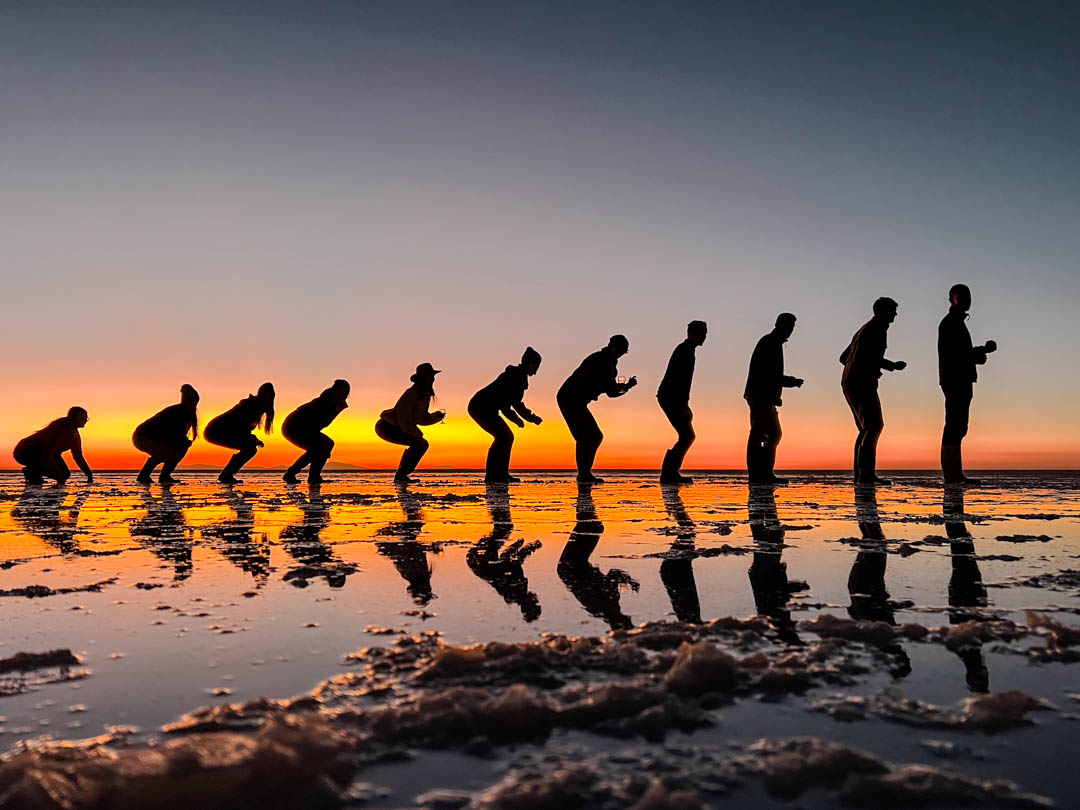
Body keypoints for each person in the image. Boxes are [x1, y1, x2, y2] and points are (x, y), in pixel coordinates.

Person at [839, 298, 907, 485]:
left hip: (850, 382)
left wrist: (870, 367)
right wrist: (889, 365)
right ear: (881, 311)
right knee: (874, 425)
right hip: (860, 383)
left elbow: (844, 357)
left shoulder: (863, 330)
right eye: (892, 310)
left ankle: (860, 475)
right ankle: (866, 475)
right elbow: (866, 356)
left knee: (866, 428)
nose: (895, 314)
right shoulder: (875, 329)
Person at [938, 284, 997, 486]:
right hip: (955, 379)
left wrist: (980, 354)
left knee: (958, 425)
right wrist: (980, 352)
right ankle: (952, 475)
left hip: (959, 378)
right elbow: (954, 355)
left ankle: (955, 474)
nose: (967, 300)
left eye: (968, 296)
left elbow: (961, 353)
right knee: (955, 425)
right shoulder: (950, 323)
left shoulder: (956, 323)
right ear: (952, 299)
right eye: (961, 297)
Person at [557, 335, 637, 483]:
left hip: (579, 402)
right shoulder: (597, 359)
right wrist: (605, 385)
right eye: (621, 351)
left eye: (624, 352)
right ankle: (584, 474)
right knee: (584, 438)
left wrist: (626, 388)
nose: (621, 354)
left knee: (595, 436)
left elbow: (611, 393)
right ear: (614, 348)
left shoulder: (612, 367)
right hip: (569, 397)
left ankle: (586, 473)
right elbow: (588, 380)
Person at [744, 313, 803, 485]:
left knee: (774, 434)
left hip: (766, 396)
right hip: (760, 395)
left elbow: (771, 374)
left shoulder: (774, 343)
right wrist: (790, 381)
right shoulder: (769, 342)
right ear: (778, 324)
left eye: (792, 327)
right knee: (758, 434)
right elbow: (768, 374)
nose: (790, 330)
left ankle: (765, 474)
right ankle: (757, 476)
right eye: (788, 326)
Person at [468, 348, 543, 483]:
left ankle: (500, 473)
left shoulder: (518, 377)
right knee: (504, 437)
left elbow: (512, 403)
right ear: (529, 363)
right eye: (536, 366)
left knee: (504, 437)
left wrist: (522, 418)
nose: (536, 371)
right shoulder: (515, 377)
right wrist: (526, 418)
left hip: (486, 408)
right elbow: (509, 404)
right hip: (480, 407)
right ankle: (494, 475)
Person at [375, 364, 445, 483]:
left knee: (421, 444)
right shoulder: (411, 394)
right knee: (419, 443)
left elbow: (421, 419)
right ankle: (401, 475)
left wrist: (436, 417)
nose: (433, 379)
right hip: (386, 426)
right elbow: (404, 418)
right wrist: (416, 433)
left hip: (399, 427)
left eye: (432, 376)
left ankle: (402, 475)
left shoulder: (424, 396)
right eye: (430, 376)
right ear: (423, 378)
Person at [657, 321, 707, 484]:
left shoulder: (688, 350)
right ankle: (669, 473)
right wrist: (682, 404)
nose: (705, 336)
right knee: (687, 435)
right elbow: (678, 379)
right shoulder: (684, 350)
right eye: (702, 332)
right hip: (671, 398)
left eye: (706, 333)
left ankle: (670, 473)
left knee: (687, 435)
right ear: (691, 333)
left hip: (672, 397)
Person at [204, 383, 276, 484]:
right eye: (265, 395)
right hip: (215, 430)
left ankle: (226, 474)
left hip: (221, 430)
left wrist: (253, 439)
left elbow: (244, 430)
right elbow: (241, 427)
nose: (267, 399)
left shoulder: (256, 408)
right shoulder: (249, 406)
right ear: (261, 395)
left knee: (250, 448)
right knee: (250, 449)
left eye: (270, 396)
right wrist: (254, 439)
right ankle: (226, 475)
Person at [282, 379, 350, 484]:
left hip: (304, 427)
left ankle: (311, 476)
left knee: (324, 446)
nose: (343, 395)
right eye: (340, 391)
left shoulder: (333, 403)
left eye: (345, 393)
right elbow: (318, 422)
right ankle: (295, 474)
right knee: (319, 448)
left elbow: (320, 425)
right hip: (294, 426)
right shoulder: (326, 402)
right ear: (334, 390)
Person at [133, 385, 199, 484]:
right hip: (143, 436)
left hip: (156, 438)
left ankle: (164, 475)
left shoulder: (188, 414)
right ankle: (144, 475)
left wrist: (184, 442)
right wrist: (183, 442)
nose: (193, 403)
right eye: (191, 400)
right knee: (167, 451)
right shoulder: (177, 411)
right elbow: (173, 432)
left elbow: (177, 435)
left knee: (180, 449)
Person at [13, 407, 93, 485]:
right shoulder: (59, 428)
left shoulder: (75, 435)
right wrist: (59, 478)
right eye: (83, 417)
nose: (86, 420)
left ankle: (34, 473)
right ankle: (32, 472)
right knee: (60, 475)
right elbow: (47, 455)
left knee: (65, 474)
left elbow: (78, 456)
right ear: (73, 417)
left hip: (52, 454)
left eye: (87, 417)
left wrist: (89, 474)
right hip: (26, 451)